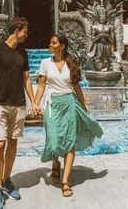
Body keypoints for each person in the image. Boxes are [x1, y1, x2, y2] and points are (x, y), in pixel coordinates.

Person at [35, 33, 103, 197]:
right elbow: (42, 86)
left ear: (62, 46)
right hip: (52, 105)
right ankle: (55, 162)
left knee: (69, 140)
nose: (50, 45)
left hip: (69, 102)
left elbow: (76, 85)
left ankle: (65, 181)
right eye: (50, 42)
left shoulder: (71, 62)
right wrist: (36, 103)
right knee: (53, 139)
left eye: (54, 43)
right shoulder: (45, 63)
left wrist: (83, 102)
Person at [0, 17, 39, 209]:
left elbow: (27, 79)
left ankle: (7, 180)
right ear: (17, 30)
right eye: (25, 31)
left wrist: (33, 102)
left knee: (13, 143)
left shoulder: (22, 52)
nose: (27, 34)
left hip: (18, 104)